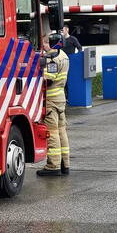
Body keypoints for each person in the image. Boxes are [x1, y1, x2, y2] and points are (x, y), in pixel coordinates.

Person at [38, 32, 70, 177]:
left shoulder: (52, 59)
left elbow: (48, 80)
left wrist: (38, 73)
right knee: (62, 131)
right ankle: (65, 164)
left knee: (53, 133)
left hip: (51, 100)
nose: (43, 46)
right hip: (61, 99)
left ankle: (53, 166)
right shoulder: (64, 55)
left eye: (44, 43)